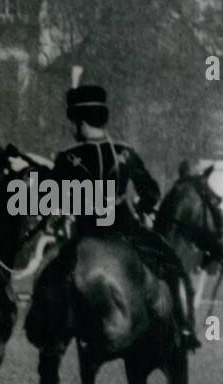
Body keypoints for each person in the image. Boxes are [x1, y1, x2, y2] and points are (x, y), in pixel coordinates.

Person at [52, 77, 199, 350]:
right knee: (172, 265)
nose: (72, 127)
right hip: (125, 229)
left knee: (51, 277)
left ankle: (49, 336)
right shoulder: (125, 153)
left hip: (86, 232)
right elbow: (151, 192)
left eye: (73, 121)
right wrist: (143, 208)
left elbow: (54, 198)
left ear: (80, 121)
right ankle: (185, 326)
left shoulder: (66, 157)